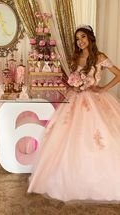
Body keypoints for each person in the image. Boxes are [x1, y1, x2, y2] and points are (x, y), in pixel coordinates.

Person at [28, 25, 120, 202]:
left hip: (94, 100)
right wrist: (74, 85)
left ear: (90, 38)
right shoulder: (76, 57)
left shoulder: (100, 57)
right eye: (78, 39)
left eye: (83, 37)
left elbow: (119, 74)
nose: (80, 41)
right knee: (68, 137)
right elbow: (73, 80)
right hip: (75, 99)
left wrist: (102, 89)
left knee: (97, 137)